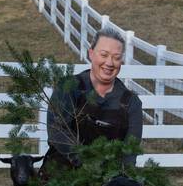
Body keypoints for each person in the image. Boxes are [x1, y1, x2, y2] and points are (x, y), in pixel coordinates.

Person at [45, 24, 144, 172]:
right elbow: (56, 131)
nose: (109, 63)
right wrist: (84, 161)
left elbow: (130, 151)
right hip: (62, 176)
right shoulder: (68, 88)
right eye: (103, 55)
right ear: (91, 53)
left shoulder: (131, 103)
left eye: (116, 58)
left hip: (108, 179)